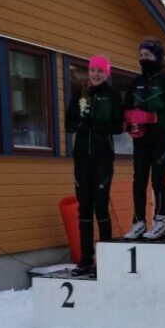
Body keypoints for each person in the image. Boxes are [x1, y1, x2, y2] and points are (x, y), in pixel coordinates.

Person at [64, 55, 124, 277]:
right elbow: (69, 124)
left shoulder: (113, 95)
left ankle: (106, 260)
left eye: (100, 71)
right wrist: (81, 123)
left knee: (100, 205)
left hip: (102, 157)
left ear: (106, 73)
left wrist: (96, 124)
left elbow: (118, 126)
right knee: (84, 207)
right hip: (81, 157)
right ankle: (85, 260)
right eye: (93, 70)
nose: (96, 74)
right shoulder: (80, 93)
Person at [122, 37, 165, 241]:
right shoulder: (136, 82)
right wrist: (130, 121)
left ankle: (161, 221)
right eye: (141, 56)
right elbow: (126, 107)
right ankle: (138, 221)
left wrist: (154, 117)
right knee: (139, 179)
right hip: (141, 139)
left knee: (157, 178)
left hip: (161, 137)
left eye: (147, 55)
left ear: (157, 56)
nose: (143, 59)